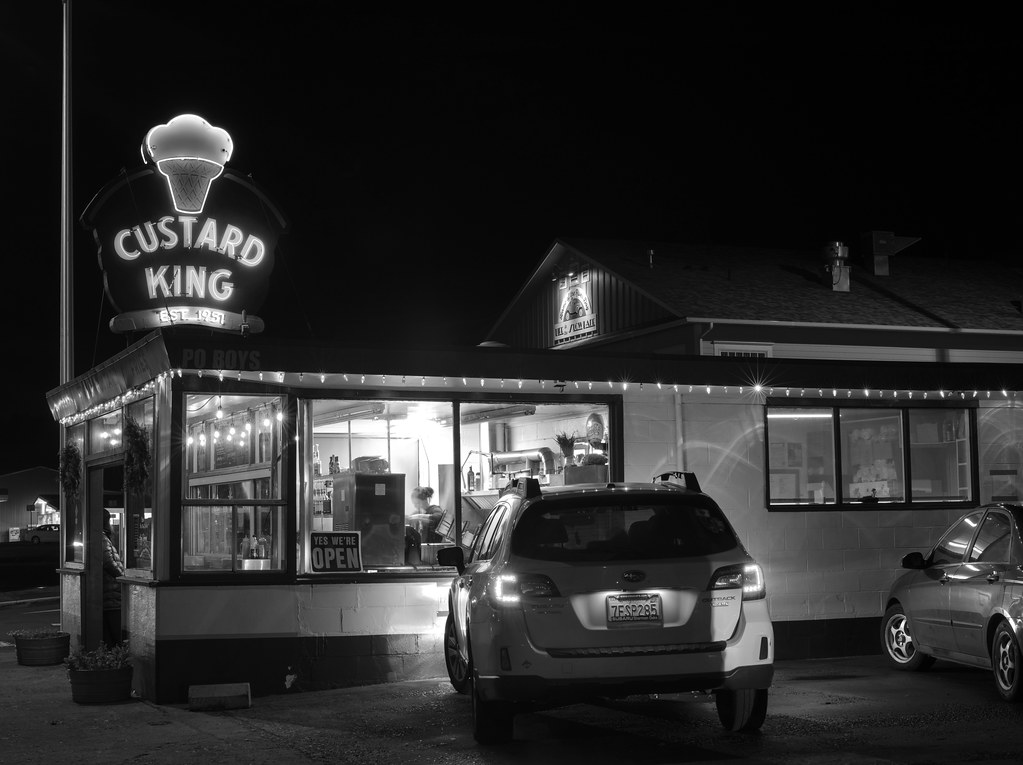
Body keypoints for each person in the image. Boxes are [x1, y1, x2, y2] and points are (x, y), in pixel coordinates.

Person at [102, 510, 125, 646]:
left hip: (109, 593)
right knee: (116, 633)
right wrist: (122, 577)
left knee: (110, 633)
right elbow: (108, 562)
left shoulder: (101, 537)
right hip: (112, 592)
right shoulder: (103, 538)